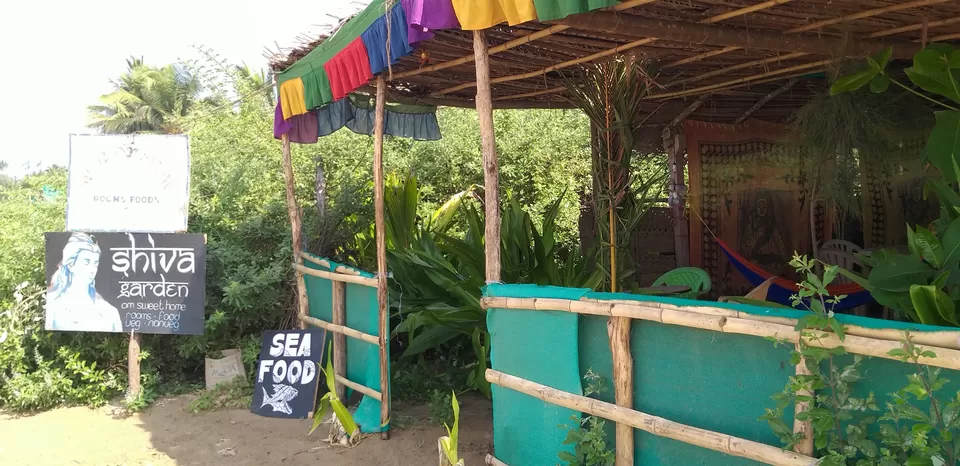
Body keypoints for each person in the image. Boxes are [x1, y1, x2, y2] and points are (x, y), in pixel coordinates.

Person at [46, 233, 122, 332]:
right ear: (70, 265)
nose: (92, 269)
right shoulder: (52, 303)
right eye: (86, 262)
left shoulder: (109, 312)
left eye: (95, 263)